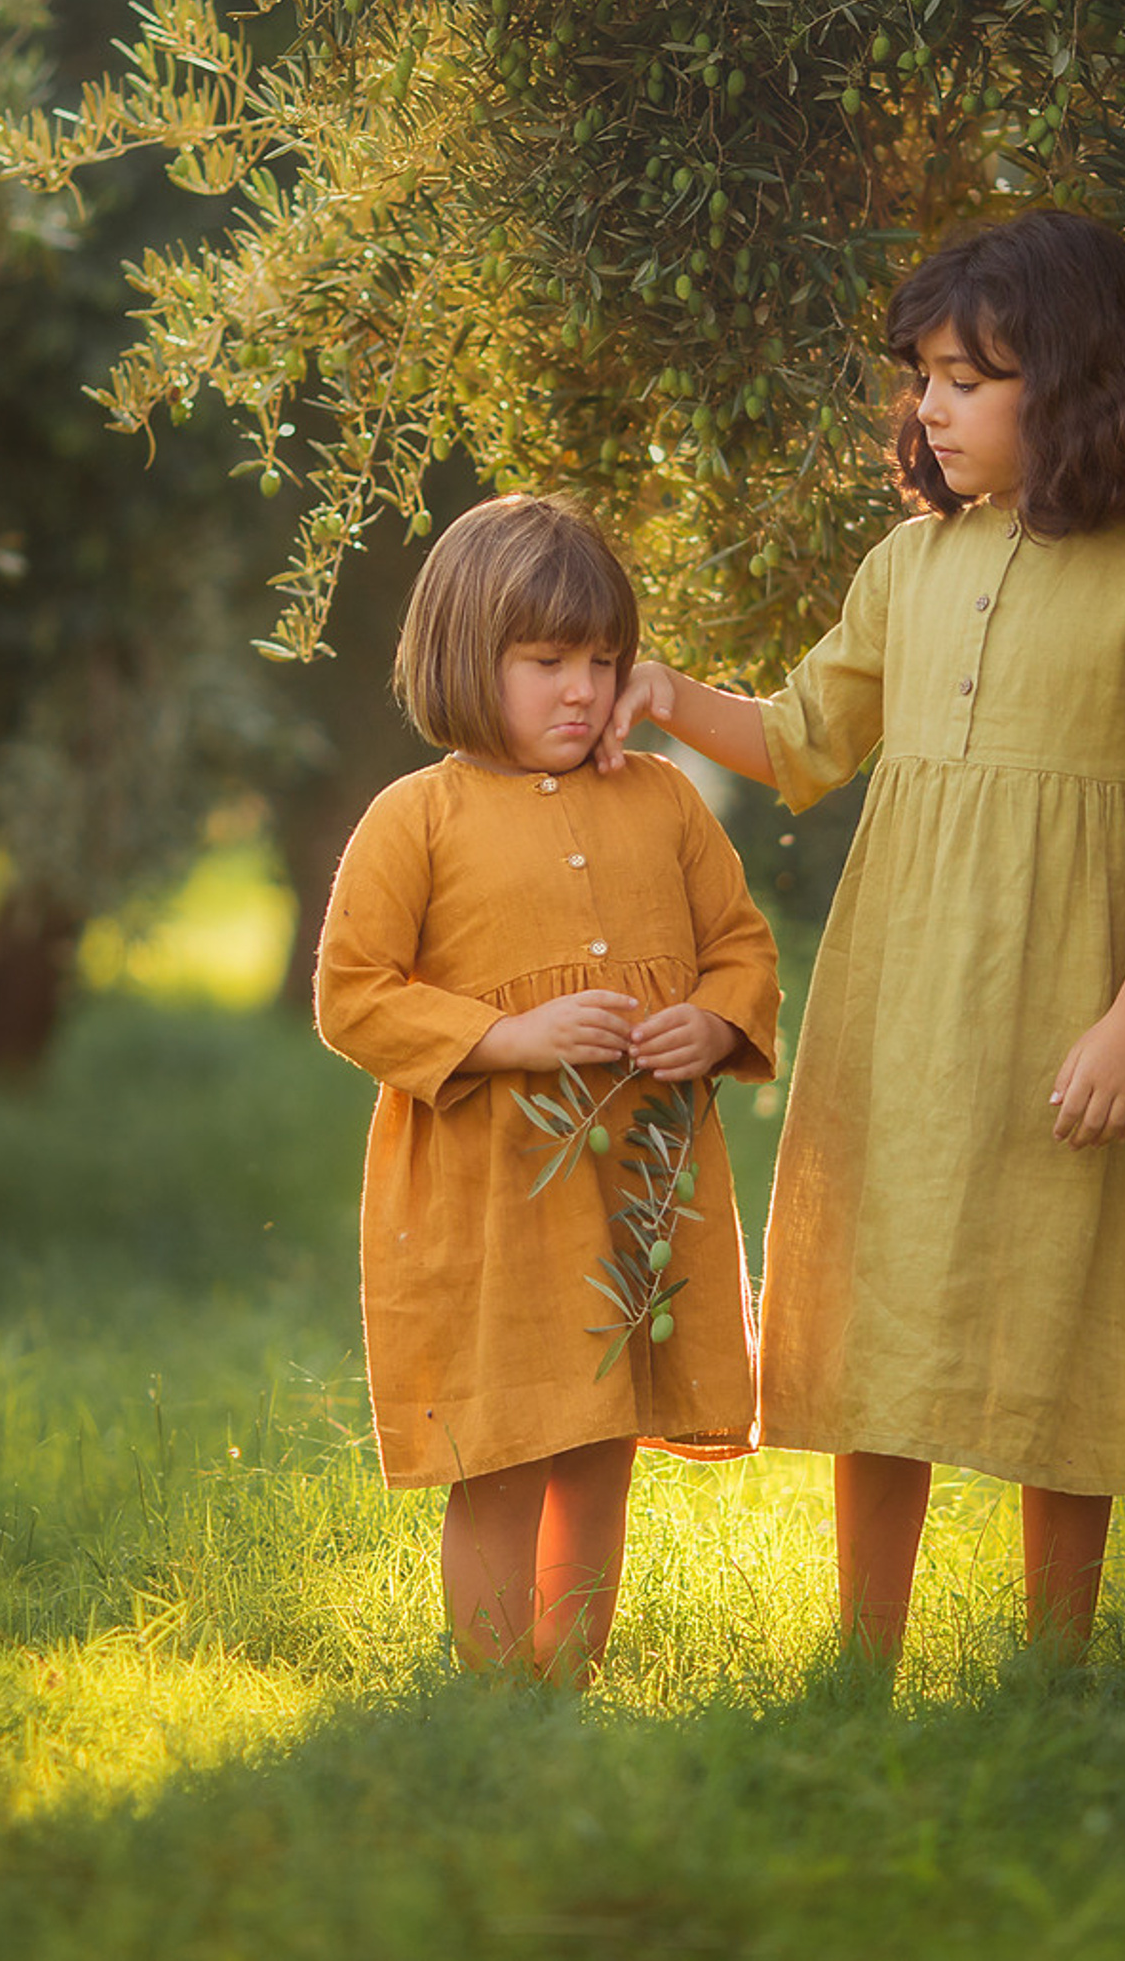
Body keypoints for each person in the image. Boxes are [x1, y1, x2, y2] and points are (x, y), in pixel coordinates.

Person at [596, 209, 1125, 1665]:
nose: (932, 406)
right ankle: (861, 1666)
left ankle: (1055, 1671)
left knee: (1066, 1294)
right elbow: (802, 738)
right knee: (879, 1286)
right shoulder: (909, 563)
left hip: (1071, 999)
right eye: (924, 376)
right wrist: (660, 692)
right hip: (900, 991)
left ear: (1077, 384)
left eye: (972, 377)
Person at [316, 493, 781, 1686]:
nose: (580, 688)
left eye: (601, 660)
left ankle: (567, 1678)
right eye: (545, 661)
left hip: (636, 1188)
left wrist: (712, 1019)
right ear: (470, 658)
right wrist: (506, 1038)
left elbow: (740, 943)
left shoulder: (666, 799)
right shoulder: (412, 816)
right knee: (505, 1440)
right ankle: (491, 1693)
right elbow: (352, 994)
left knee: (599, 1440)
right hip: (493, 1204)